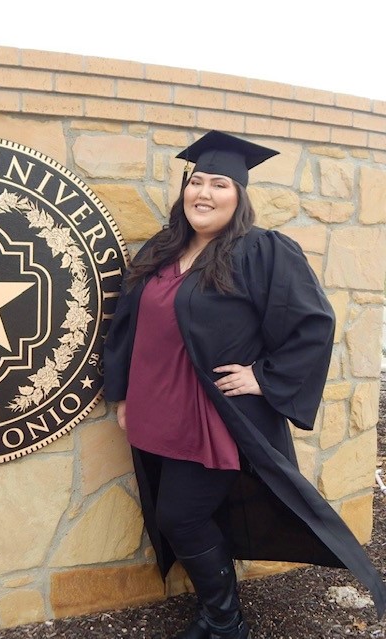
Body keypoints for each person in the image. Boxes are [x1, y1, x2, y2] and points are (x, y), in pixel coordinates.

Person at [103, 130, 386, 639]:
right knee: (180, 514)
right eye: (196, 182)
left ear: (239, 196)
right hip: (157, 413)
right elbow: (130, 325)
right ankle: (219, 612)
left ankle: (225, 619)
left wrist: (263, 377)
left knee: (180, 516)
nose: (204, 193)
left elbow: (312, 324)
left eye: (219, 184)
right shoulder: (163, 251)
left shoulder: (261, 251)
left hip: (213, 418)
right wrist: (122, 393)